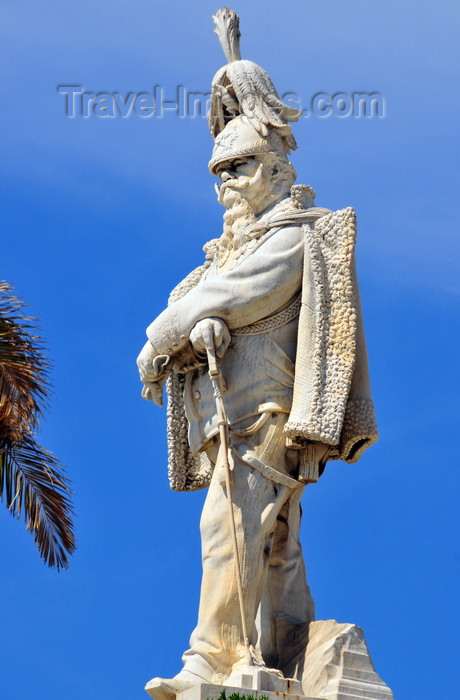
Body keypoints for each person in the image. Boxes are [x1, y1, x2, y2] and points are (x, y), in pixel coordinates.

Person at [137, 114, 378, 699]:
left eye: (239, 168)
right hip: (229, 415)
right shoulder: (226, 253)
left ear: (274, 168)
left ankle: (209, 659)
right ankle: (285, 642)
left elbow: (245, 293)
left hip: (265, 413)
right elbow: (216, 297)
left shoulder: (292, 234)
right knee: (275, 540)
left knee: (229, 527)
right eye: (219, 173)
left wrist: (162, 336)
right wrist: (201, 328)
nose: (226, 184)